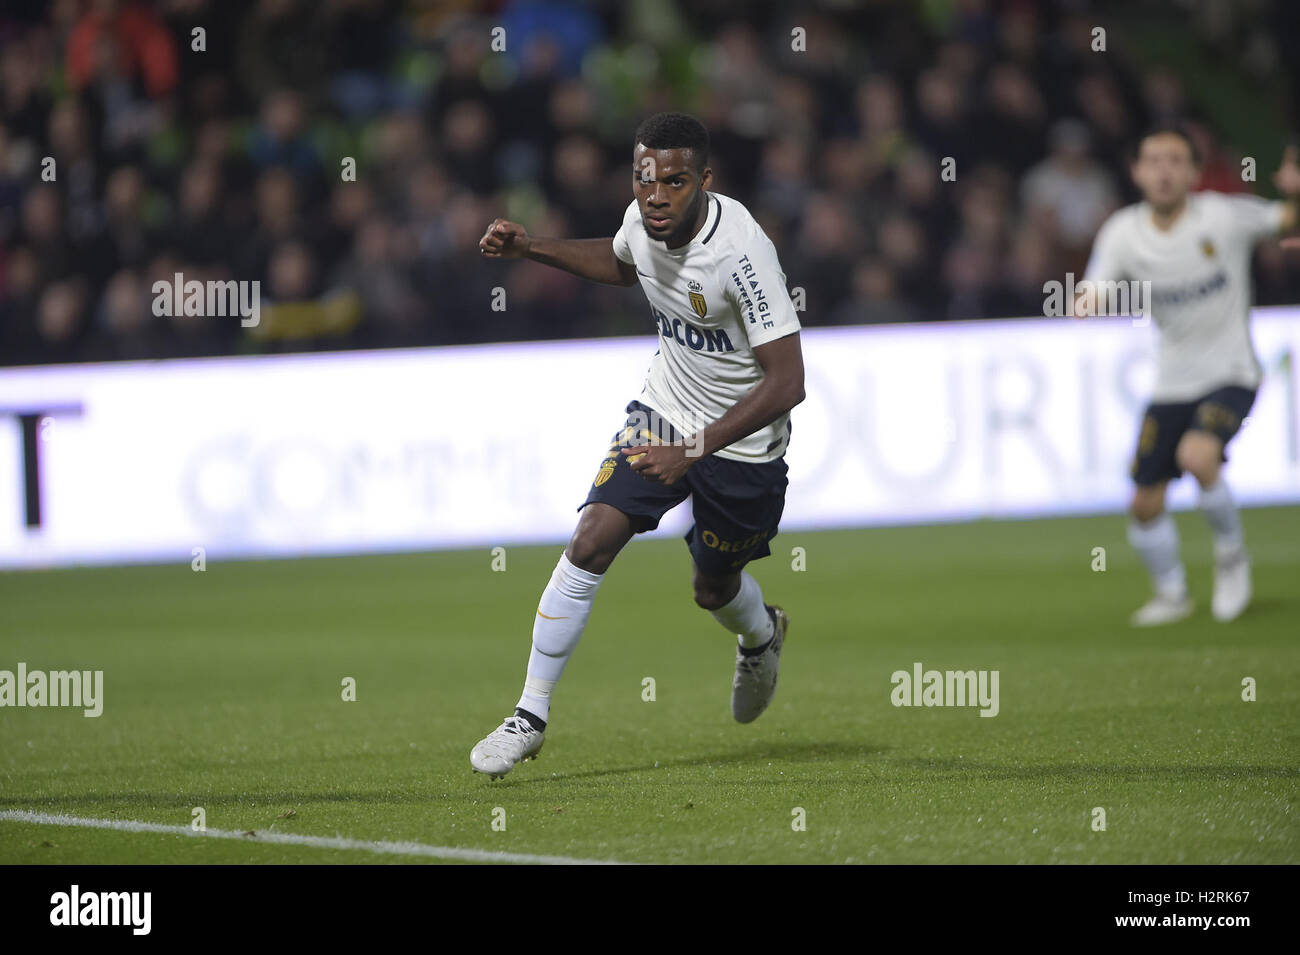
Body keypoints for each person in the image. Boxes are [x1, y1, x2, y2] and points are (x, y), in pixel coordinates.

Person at [468, 113, 805, 778]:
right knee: (590, 537)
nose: (655, 194)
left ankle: (761, 633)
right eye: (644, 178)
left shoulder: (742, 254)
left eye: (674, 181)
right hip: (664, 410)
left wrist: (695, 449)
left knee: (713, 588)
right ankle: (529, 714)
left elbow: (789, 380)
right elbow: (622, 263)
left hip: (742, 445)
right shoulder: (642, 218)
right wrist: (530, 248)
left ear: (705, 180)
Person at [1078, 126, 1300, 625]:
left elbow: (1286, 223)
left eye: (1175, 160)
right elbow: (1096, 285)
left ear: (1194, 173)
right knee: (1143, 503)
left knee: (1197, 456)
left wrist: (1294, 189)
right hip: (1172, 380)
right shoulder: (1122, 232)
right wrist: (1087, 301)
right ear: (1136, 172)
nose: (1163, 170)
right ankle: (1172, 593)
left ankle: (1231, 560)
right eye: (1153, 160)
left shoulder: (1223, 217)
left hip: (1232, 371)